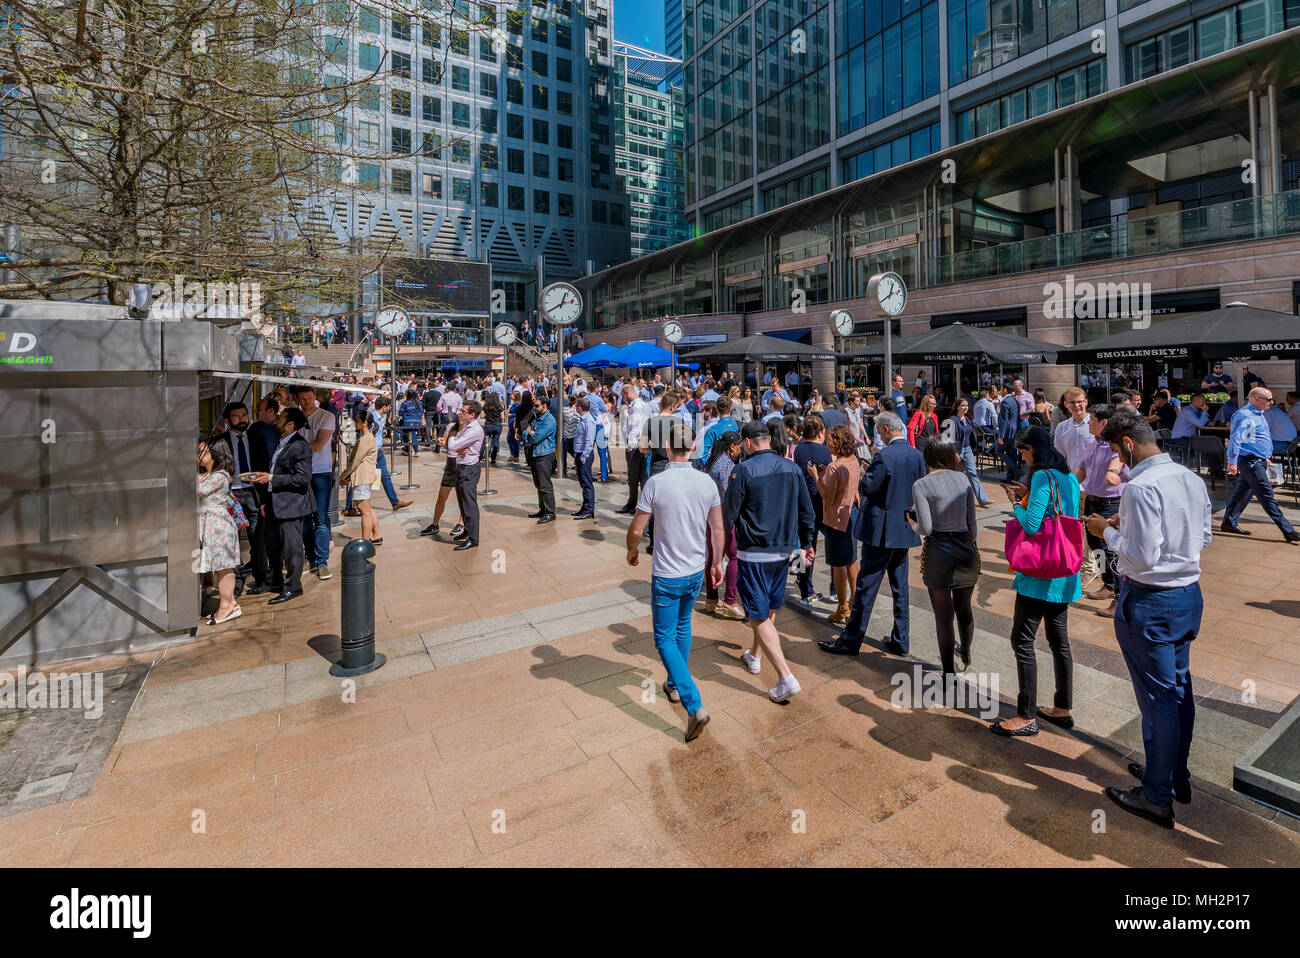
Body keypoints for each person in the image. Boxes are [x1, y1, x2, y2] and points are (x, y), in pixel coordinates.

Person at [1088, 414, 1212, 829]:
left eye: (1116, 453)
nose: (1117, 463)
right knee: (1178, 690)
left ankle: (1157, 796)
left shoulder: (1140, 486)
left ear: (1128, 443)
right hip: (1187, 595)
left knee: (1159, 701)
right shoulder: (1188, 477)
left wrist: (1105, 531)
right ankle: (1173, 775)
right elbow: (1204, 537)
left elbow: (1142, 557)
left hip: (1151, 600)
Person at [626, 420, 724, 742]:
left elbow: (638, 529)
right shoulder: (706, 482)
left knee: (664, 638)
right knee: (683, 626)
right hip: (696, 570)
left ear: (667, 448)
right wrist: (717, 562)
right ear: (692, 449)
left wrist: (631, 550)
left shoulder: (655, 483)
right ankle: (672, 683)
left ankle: (693, 702)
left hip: (667, 573)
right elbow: (718, 530)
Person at [992, 426, 1081, 737]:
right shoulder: (1069, 478)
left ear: (1035, 450)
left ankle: (1026, 714)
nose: (1022, 457)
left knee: (1022, 639)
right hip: (1064, 569)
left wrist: (1015, 503)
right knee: (1059, 641)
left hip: (1041, 572)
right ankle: (1063, 706)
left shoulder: (1043, 476)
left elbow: (1031, 524)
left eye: (1024, 451)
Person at [723, 420, 816, 702]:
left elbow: (728, 514)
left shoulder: (743, 470)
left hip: (755, 552)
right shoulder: (791, 467)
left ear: (748, 443)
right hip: (787, 550)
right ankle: (755, 655)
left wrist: (720, 552)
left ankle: (785, 676)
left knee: (757, 613)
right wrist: (807, 544)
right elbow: (806, 511)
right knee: (769, 606)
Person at [819, 411, 925, 657]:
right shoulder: (916, 455)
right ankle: (901, 638)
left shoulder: (884, 456)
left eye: (879, 431)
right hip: (904, 527)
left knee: (867, 586)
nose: (879, 435)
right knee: (900, 588)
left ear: (886, 430)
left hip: (881, 530)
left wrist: (866, 472)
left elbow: (867, 487)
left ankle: (851, 639)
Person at [911, 440, 980, 675]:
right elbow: (972, 523)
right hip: (965, 547)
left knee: (943, 616)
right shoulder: (963, 480)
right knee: (964, 608)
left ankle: (948, 672)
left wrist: (911, 522)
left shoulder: (921, 485)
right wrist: (971, 547)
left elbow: (926, 528)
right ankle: (967, 652)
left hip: (939, 550)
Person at [251, 406, 314, 605]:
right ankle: (276, 581)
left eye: (280, 418)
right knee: (273, 546)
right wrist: (267, 500)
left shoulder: (300, 446)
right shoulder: (282, 443)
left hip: (291, 505)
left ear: (291, 424)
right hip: (274, 504)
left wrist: (271, 478)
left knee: (292, 549)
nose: (276, 420)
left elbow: (302, 478)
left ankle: (293, 586)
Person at [1221, 387, 1300, 542]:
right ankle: (1288, 530)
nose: (1272, 402)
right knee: (1267, 495)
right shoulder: (1244, 415)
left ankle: (1229, 522)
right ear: (1256, 398)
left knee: (1242, 493)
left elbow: (1253, 439)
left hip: (1256, 459)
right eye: (1268, 399)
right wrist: (1232, 461)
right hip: (1250, 461)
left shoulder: (1259, 414)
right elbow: (1236, 439)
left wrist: (1265, 456)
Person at [209, 402, 270, 597]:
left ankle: (261, 580)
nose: (242, 419)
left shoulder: (258, 438)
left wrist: (265, 497)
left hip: (254, 492)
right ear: (227, 421)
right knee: (231, 541)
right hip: (230, 495)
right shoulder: (219, 442)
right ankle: (236, 582)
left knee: (257, 539)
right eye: (236, 416)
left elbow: (266, 466)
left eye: (244, 415)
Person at [1075, 404, 1129, 617]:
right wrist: (1067, 485)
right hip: (1092, 500)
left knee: (1111, 549)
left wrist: (1113, 475)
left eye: (1093, 419)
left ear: (1104, 423)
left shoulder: (1118, 448)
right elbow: (1081, 470)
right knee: (1096, 545)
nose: (1089, 422)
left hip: (1111, 503)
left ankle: (1119, 597)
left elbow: (1118, 473)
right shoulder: (1092, 443)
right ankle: (1108, 583)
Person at [813, 424, 861, 626]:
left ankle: (842, 608)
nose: (827, 444)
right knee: (851, 559)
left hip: (837, 518)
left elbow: (828, 497)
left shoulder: (834, 467)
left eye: (830, 441)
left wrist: (816, 477)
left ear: (837, 443)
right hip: (853, 512)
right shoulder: (854, 460)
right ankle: (854, 601)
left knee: (838, 564)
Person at [196, 439, 242, 624]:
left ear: (216, 452)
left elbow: (198, 490)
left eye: (202, 451)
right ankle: (230, 603)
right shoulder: (204, 474)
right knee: (219, 567)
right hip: (208, 526)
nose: (198, 455)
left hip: (219, 526)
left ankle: (226, 606)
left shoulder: (221, 475)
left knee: (223, 567)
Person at [294, 385, 336, 581]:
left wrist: (292, 449)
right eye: (303, 399)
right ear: (297, 400)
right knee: (304, 518)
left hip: (321, 472)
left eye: (309, 398)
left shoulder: (326, 416)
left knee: (320, 518)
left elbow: (319, 445)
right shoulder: (294, 417)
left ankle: (321, 561)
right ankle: (310, 557)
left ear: (315, 397)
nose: (306, 402)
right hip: (300, 473)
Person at [792, 416, 833, 607]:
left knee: (803, 545)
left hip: (802, 503)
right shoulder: (824, 450)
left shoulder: (798, 449)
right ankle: (835, 589)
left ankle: (805, 591)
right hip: (820, 502)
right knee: (832, 543)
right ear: (820, 433)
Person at [703, 431, 745, 620]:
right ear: (732, 447)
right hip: (724, 518)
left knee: (713, 556)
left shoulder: (713, 462)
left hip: (709, 516)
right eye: (740, 446)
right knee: (734, 555)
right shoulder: (727, 466)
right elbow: (730, 494)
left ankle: (711, 598)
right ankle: (730, 599)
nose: (741, 450)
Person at [338, 410, 380, 545]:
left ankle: (365, 541)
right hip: (364, 476)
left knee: (364, 511)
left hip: (362, 477)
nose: (355, 422)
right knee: (367, 508)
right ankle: (376, 535)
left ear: (365, 423)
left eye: (357, 420)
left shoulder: (365, 439)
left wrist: (344, 475)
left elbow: (355, 461)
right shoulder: (368, 437)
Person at [447, 400, 484, 550]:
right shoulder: (467, 427)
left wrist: (453, 441)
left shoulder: (475, 430)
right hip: (462, 466)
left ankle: (473, 538)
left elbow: (452, 444)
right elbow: (457, 440)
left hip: (469, 468)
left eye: (463, 412)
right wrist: (457, 444)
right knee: (463, 502)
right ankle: (467, 531)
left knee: (469, 504)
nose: (460, 413)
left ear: (472, 415)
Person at [945, 396, 990, 507]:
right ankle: (951, 499)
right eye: (963, 405)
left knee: (972, 473)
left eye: (966, 406)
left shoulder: (967, 420)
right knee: (956, 475)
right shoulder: (952, 420)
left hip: (967, 448)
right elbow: (947, 438)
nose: (965, 408)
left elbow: (970, 435)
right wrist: (954, 452)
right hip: (957, 449)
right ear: (957, 407)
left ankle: (983, 499)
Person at [617, 383, 652, 515]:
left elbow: (634, 427)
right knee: (644, 476)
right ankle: (644, 505)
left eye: (623, 396)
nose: (624, 399)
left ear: (627, 393)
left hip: (636, 445)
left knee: (633, 477)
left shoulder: (636, 407)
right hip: (645, 443)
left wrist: (630, 446)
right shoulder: (645, 405)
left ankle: (632, 504)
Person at [525, 390, 557, 523]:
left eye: (537, 406)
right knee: (538, 484)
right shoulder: (535, 416)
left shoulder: (549, 420)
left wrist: (530, 434)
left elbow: (536, 438)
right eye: (534, 405)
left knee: (545, 485)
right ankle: (542, 509)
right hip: (534, 454)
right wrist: (528, 433)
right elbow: (525, 432)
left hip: (544, 455)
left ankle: (550, 512)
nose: (534, 408)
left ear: (545, 406)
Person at [572, 396, 597, 519]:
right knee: (583, 482)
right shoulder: (582, 420)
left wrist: (584, 456)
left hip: (584, 455)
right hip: (580, 454)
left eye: (576, 406)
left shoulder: (588, 421)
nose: (575, 408)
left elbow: (589, 440)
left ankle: (589, 509)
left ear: (580, 408)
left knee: (586, 483)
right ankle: (585, 506)